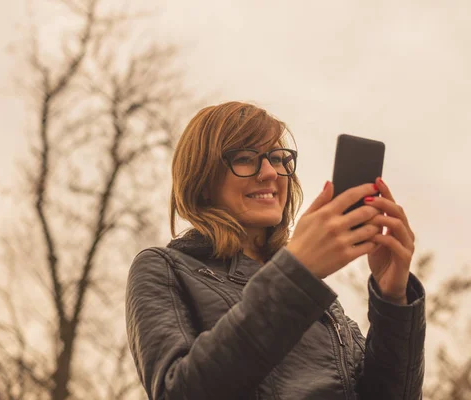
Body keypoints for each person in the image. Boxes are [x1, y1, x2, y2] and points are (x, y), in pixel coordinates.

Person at [125, 101, 425, 399]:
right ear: (203, 181)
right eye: (245, 158)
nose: (270, 172)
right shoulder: (165, 268)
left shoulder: (321, 301)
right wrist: (297, 273)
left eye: (279, 158)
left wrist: (393, 304)